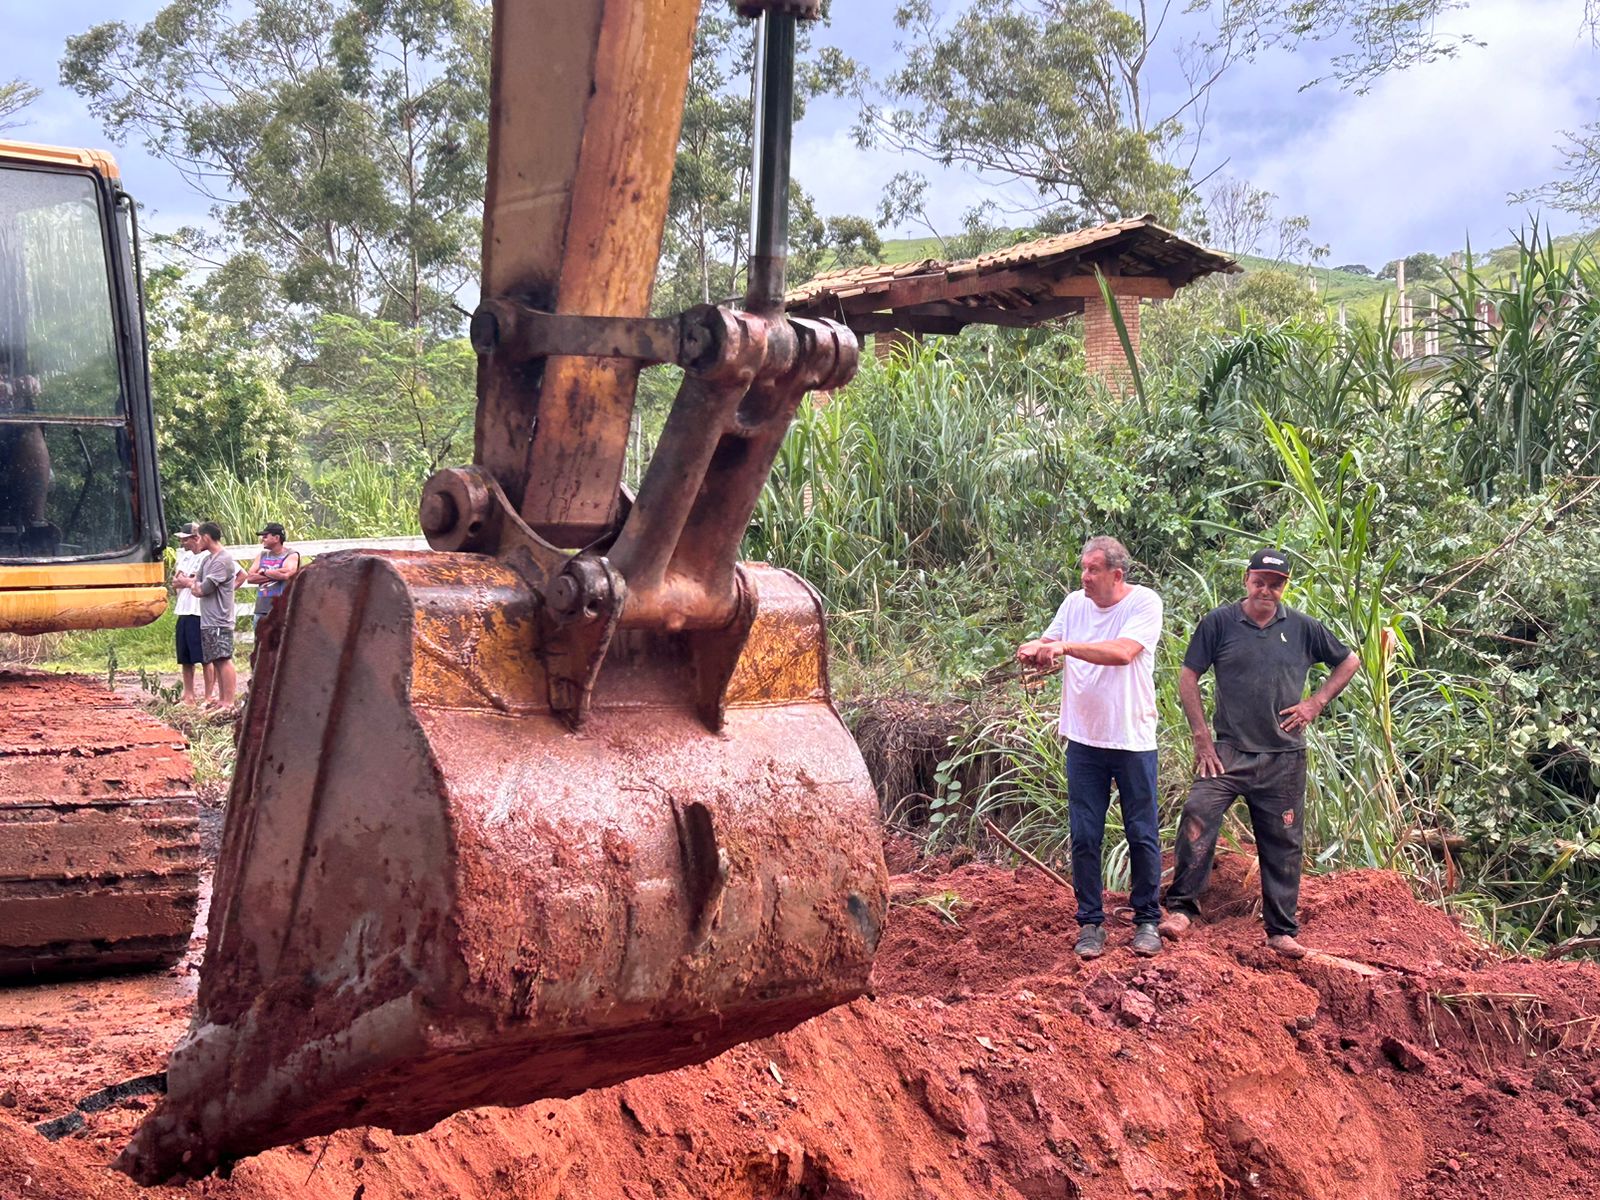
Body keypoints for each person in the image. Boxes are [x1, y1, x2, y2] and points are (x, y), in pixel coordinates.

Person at [1160, 548, 1362, 958]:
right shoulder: (1219, 623)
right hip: (1227, 752)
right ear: (1246, 580)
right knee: (1198, 814)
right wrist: (1201, 737)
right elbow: (1188, 675)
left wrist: (1315, 703)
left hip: (1283, 757)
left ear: (1284, 586)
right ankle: (1181, 908)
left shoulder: (1304, 628)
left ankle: (1281, 930)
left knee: (1283, 841)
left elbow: (1350, 660)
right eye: (1259, 581)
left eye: (1275, 583)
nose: (1266, 590)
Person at [1016, 536, 1164, 960]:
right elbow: (1051, 646)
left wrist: (1064, 647)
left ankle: (1147, 921)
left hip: (1132, 739)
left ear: (1117, 575)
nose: (1084, 576)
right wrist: (1037, 653)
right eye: (1083, 567)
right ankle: (1090, 924)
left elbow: (1123, 653)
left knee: (1142, 833)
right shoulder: (1073, 604)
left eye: (1093, 569)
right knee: (1084, 835)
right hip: (1083, 739)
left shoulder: (1143, 604)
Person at [188, 522, 239, 708]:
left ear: (207, 537)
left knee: (224, 658)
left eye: (199, 537)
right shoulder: (207, 560)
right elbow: (197, 583)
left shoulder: (222, 560)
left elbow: (204, 588)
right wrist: (197, 586)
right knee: (216, 659)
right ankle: (222, 699)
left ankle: (229, 701)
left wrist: (197, 587)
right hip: (208, 619)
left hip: (220, 618)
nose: (198, 541)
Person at [170, 522, 214, 705]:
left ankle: (208, 696)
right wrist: (188, 581)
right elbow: (175, 581)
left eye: (185, 539)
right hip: (183, 609)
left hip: (199, 611)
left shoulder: (207, 557)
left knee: (204, 657)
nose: (183, 543)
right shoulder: (186, 558)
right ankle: (188, 695)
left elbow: (195, 580)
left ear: (196, 538)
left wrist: (187, 581)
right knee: (186, 656)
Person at [243, 522, 300, 627]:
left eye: (265, 536)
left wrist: (264, 572)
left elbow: (287, 574)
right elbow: (250, 577)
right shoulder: (262, 555)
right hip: (261, 610)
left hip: (281, 610)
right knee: (259, 643)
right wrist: (277, 574)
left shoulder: (291, 555)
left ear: (276, 538)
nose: (262, 539)